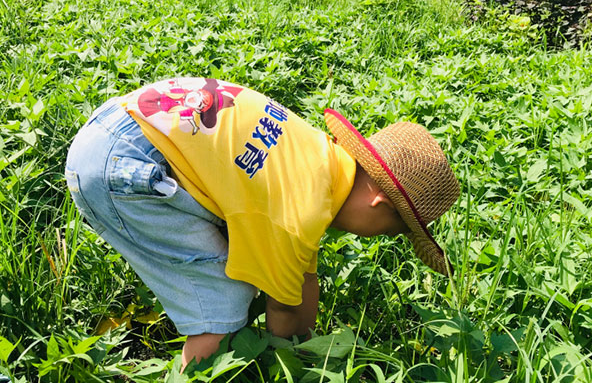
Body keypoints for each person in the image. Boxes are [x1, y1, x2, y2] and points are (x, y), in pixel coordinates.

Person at [65, 77, 460, 367]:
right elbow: (283, 311)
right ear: (378, 203)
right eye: (392, 231)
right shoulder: (300, 215)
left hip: (121, 124)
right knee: (224, 305)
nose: (380, 238)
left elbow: (303, 278)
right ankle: (196, 373)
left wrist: (306, 337)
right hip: (125, 168)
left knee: (231, 256)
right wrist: (294, 361)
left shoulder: (317, 163)